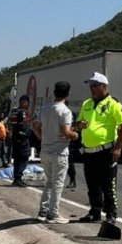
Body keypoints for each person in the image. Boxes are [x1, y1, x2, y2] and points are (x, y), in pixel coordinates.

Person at [74, 72, 122, 224]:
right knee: (92, 184)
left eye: (95, 85)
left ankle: (111, 214)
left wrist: (118, 147)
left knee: (108, 185)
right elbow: (77, 125)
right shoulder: (86, 104)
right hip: (89, 151)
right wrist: (80, 125)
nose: (91, 88)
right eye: (90, 86)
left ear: (104, 86)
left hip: (106, 151)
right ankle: (95, 211)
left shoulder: (113, 104)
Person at [32, 80, 75, 223]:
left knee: (49, 182)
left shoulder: (45, 108)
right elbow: (66, 131)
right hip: (60, 152)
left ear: (54, 92)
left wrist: (43, 138)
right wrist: (75, 135)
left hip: (45, 150)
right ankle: (53, 214)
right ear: (68, 94)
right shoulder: (65, 111)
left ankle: (42, 212)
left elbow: (35, 127)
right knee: (57, 184)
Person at [10, 96, 32, 186]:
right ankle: (18, 178)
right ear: (23, 102)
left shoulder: (14, 111)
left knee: (17, 159)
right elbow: (23, 123)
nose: (28, 105)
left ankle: (16, 179)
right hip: (22, 139)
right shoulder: (22, 112)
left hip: (15, 138)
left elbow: (12, 124)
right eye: (27, 103)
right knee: (23, 158)